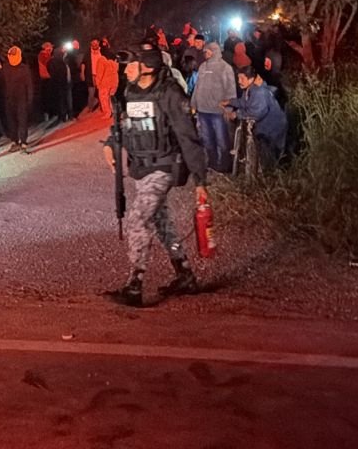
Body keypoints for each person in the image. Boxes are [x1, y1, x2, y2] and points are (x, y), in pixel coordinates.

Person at [105, 42, 209, 307]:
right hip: (142, 169)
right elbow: (125, 125)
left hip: (163, 167)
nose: (126, 70)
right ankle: (185, 274)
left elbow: (188, 136)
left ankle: (135, 285)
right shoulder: (131, 91)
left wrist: (200, 179)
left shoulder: (170, 93)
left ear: (147, 66)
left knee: (138, 219)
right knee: (162, 223)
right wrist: (110, 144)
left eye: (131, 64)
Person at [223, 66, 287, 172]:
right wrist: (230, 102)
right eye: (238, 78)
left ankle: (271, 175)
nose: (239, 81)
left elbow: (256, 112)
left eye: (242, 78)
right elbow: (245, 102)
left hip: (273, 127)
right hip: (266, 126)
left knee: (271, 155)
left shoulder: (259, 92)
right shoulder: (249, 89)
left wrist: (237, 114)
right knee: (264, 152)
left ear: (251, 79)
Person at [190, 41, 237, 173]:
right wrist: (193, 104)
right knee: (207, 139)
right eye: (205, 51)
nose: (205, 53)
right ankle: (212, 164)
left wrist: (229, 108)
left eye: (208, 51)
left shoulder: (225, 67)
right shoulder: (203, 66)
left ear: (214, 51)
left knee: (222, 140)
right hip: (203, 110)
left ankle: (225, 166)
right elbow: (197, 87)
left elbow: (231, 89)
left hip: (218, 111)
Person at [2, 45, 35, 152]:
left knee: (22, 120)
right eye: (11, 55)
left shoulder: (24, 68)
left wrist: (29, 98)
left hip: (22, 98)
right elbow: (2, 84)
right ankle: (14, 141)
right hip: (9, 99)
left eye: (15, 55)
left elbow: (29, 84)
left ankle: (23, 141)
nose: (13, 57)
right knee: (11, 121)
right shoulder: (5, 68)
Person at [95, 38, 120, 122]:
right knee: (112, 98)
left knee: (104, 99)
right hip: (114, 81)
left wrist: (98, 83)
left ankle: (107, 113)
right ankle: (114, 111)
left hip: (104, 83)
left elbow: (99, 73)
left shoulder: (101, 60)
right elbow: (117, 69)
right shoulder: (114, 58)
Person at [49, 45, 73, 123]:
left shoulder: (64, 60)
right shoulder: (54, 62)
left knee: (68, 99)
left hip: (66, 82)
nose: (64, 52)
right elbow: (53, 73)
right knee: (62, 100)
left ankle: (69, 114)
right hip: (60, 83)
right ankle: (64, 116)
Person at [37, 42, 55, 120]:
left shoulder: (47, 55)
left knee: (49, 96)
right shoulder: (43, 55)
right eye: (50, 47)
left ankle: (49, 113)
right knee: (47, 97)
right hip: (45, 78)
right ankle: (47, 113)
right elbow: (47, 63)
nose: (51, 49)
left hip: (48, 77)